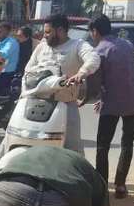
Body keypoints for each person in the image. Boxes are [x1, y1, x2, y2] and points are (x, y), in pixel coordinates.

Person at [22, 14, 101, 152]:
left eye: (47, 32)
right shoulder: (41, 47)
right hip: (36, 104)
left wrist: (81, 73)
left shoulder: (78, 45)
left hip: (65, 105)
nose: (44, 36)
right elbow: (28, 71)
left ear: (60, 30)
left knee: (72, 149)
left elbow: (93, 59)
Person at [88, 15, 134, 199]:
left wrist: (91, 98)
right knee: (127, 143)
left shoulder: (99, 51)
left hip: (110, 104)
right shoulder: (127, 45)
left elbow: (96, 82)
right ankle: (120, 185)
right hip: (132, 101)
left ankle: (102, 187)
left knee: (103, 146)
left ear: (95, 31)